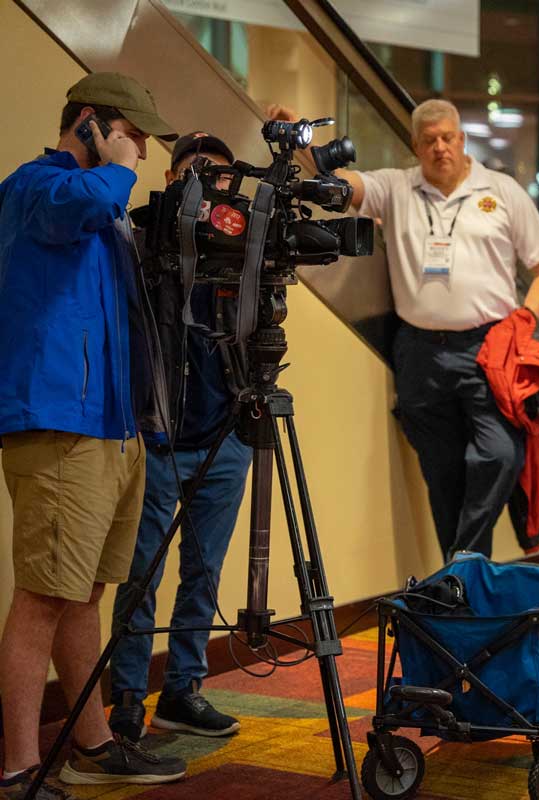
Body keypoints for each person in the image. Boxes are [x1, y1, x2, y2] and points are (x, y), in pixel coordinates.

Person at [268, 99, 539, 561]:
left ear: (462, 139)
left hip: (491, 349)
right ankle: (464, 584)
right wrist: (301, 144)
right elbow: (337, 186)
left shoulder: (502, 192)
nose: (440, 148)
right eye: (429, 140)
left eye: (448, 137)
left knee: (499, 456)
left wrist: (524, 321)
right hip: (420, 355)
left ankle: (461, 568)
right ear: (416, 145)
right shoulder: (396, 187)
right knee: (442, 474)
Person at [0, 72, 187, 796]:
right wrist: (115, 165)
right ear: (88, 122)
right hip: (57, 421)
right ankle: (19, 766)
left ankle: (94, 742)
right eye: (129, 130)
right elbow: (90, 198)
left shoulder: (100, 209)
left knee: (85, 594)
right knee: (43, 596)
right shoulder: (35, 188)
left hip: (109, 424)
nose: (138, 146)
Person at [106, 132, 253, 745]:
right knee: (140, 576)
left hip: (225, 440)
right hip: (156, 438)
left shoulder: (244, 250)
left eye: (218, 176)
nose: (206, 186)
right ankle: (126, 701)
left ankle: (184, 690)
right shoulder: (138, 244)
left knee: (204, 574)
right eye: (193, 174)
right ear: (168, 180)